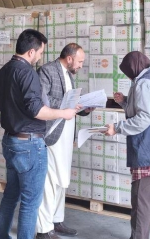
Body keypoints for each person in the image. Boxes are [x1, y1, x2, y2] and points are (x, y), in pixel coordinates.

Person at [0, 29, 79, 239]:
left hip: (10, 141)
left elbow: (1, 104)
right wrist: (64, 113)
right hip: (30, 144)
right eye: (40, 53)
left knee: (10, 197)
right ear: (31, 52)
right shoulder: (28, 73)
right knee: (31, 202)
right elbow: (37, 110)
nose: (40, 57)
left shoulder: (4, 71)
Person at [103, 51, 150, 239]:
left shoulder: (143, 84)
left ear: (133, 68)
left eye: (128, 72)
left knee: (142, 202)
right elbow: (145, 110)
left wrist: (117, 128)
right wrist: (124, 102)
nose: (128, 76)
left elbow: (144, 118)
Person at [36, 43, 94, 239]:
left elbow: (70, 107)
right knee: (49, 182)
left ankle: (56, 220)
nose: (80, 66)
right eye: (79, 61)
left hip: (66, 136)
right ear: (69, 58)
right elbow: (42, 100)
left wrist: (84, 108)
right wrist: (67, 105)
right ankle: (43, 229)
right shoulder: (47, 70)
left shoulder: (69, 75)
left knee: (62, 181)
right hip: (52, 134)